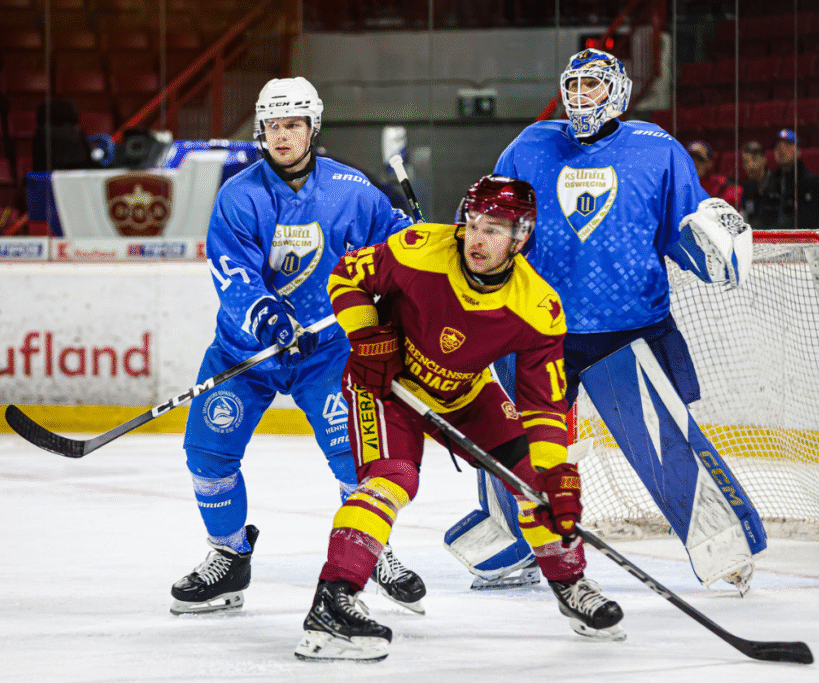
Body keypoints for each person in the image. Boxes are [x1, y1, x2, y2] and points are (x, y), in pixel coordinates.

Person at [451, 48, 765, 595]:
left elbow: (685, 231)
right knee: (513, 442)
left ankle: (725, 544)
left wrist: (715, 250)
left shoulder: (657, 149)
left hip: (631, 327)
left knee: (666, 443)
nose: (580, 96)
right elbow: (494, 220)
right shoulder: (531, 145)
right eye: (573, 85)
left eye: (592, 85)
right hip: (538, 326)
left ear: (617, 91)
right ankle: (515, 542)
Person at [294, 175, 624, 662]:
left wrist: (554, 471)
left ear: (521, 237)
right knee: (393, 478)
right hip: (388, 384)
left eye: (494, 230)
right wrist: (366, 336)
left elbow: (544, 406)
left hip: (464, 393)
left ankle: (570, 583)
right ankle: (333, 600)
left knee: (534, 480)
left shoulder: (538, 307)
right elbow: (346, 276)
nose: (476, 239)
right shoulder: (418, 250)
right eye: (473, 224)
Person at [170, 77, 426, 617]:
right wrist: (266, 315)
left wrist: (419, 247)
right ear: (261, 131)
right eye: (273, 125)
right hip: (246, 351)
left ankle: (371, 549)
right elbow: (231, 270)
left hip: (327, 351)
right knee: (207, 453)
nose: (282, 135)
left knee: (355, 457)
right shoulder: (239, 194)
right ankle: (229, 556)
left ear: (313, 127)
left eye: (293, 124)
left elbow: (395, 245)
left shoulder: (352, 189)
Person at [767, 129, 819, 231]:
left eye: (787, 145)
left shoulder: (808, 180)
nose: (781, 150)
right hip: (776, 234)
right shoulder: (772, 178)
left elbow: (809, 220)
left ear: (798, 152)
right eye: (777, 146)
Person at [687, 140, 743, 208]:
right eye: (690, 159)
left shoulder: (724, 185)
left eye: (700, 159)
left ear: (709, 163)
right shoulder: (679, 185)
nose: (694, 163)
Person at [739, 141, 772, 229]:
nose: (750, 165)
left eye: (754, 159)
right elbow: (745, 217)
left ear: (764, 159)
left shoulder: (777, 182)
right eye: (746, 162)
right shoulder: (747, 186)